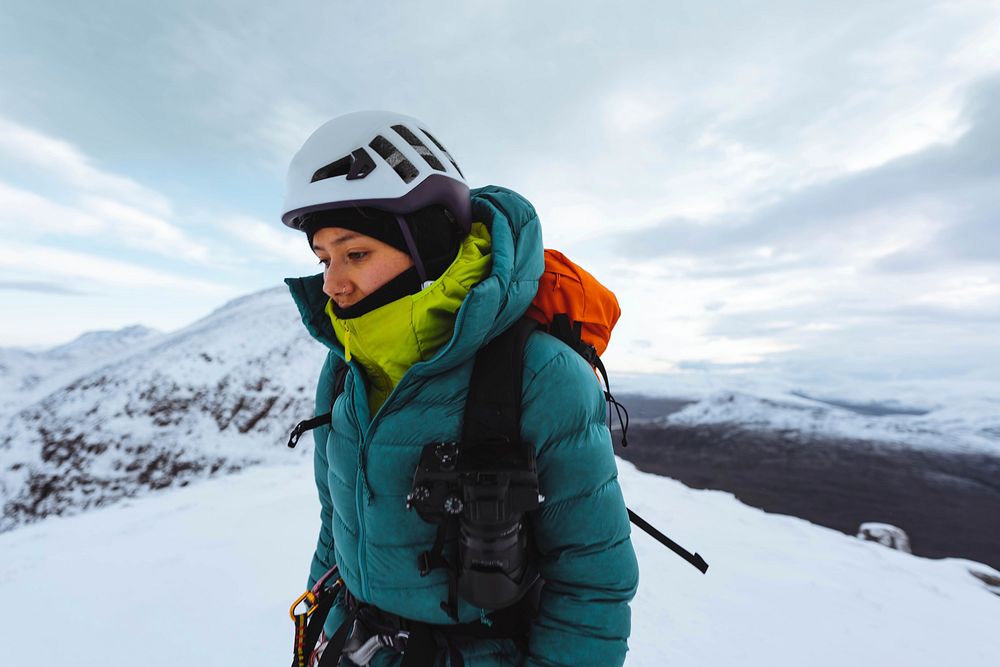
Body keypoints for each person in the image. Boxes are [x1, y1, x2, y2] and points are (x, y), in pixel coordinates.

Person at [283, 110, 638, 667]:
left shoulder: (540, 375)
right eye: (323, 258)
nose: (332, 284)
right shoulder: (346, 370)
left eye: (355, 254)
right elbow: (337, 528)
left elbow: (591, 581)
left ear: (426, 245)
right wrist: (317, 640)